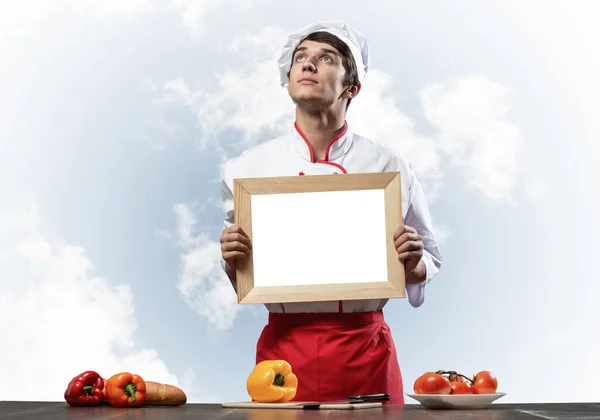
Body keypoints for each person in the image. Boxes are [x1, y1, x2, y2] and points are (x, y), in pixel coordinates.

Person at [219, 21, 442, 405]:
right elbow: (245, 274)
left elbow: (429, 260)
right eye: (300, 58)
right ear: (287, 79)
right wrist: (231, 257)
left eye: (326, 59)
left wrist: (412, 259)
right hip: (283, 353)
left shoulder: (388, 164)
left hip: (365, 349)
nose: (307, 65)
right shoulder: (247, 170)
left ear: (351, 87)